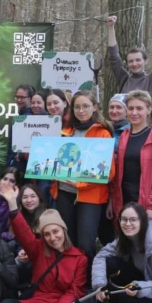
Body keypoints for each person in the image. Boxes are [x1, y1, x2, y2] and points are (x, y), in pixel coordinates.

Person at [0, 184, 90, 303]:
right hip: (39, 302)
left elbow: (75, 290)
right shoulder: (38, 249)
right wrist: (12, 204)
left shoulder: (79, 258)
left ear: (63, 230)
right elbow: (23, 232)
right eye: (47, 234)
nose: (52, 237)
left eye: (56, 231)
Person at [52, 91, 113, 267]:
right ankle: (71, 277)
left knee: (86, 244)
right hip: (64, 193)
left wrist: (81, 183)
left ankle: (89, 279)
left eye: (85, 106)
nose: (81, 110)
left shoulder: (103, 134)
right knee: (68, 241)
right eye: (77, 107)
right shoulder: (64, 132)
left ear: (94, 107)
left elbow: (109, 172)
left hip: (90, 196)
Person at [109, 90, 152, 224]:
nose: (134, 112)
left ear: (148, 110)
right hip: (124, 199)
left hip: (146, 200)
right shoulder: (124, 135)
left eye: (139, 108)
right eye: (131, 108)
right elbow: (117, 171)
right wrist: (112, 200)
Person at [105, 13, 152, 93]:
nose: (134, 64)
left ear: (146, 61)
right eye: (131, 61)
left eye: (138, 60)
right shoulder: (124, 79)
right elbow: (114, 58)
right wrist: (111, 28)